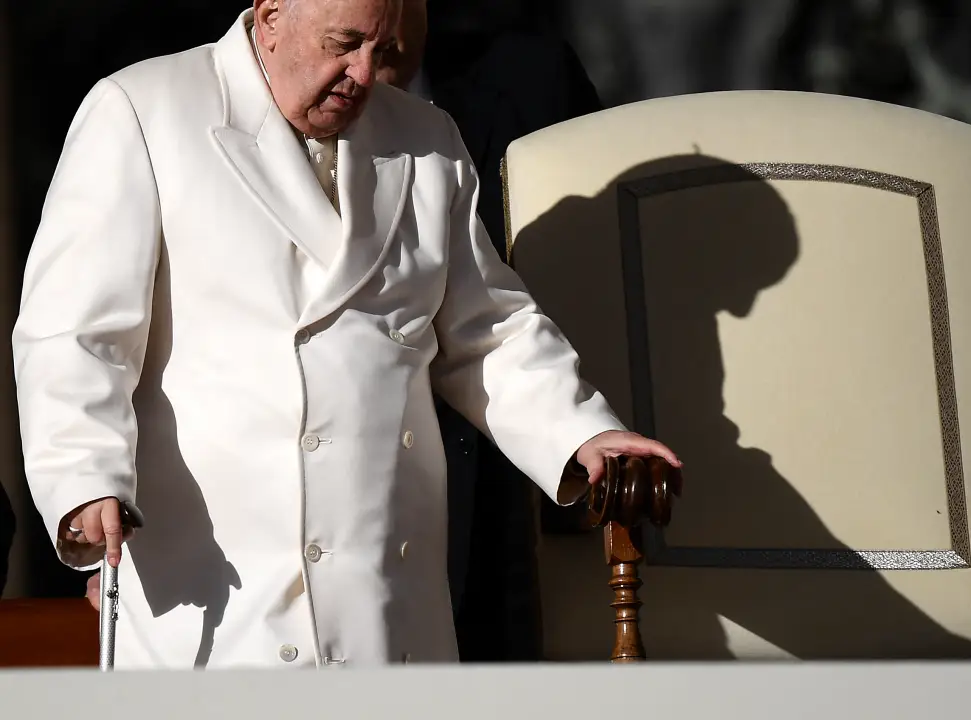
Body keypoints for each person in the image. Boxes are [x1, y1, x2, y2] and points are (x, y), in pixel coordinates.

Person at [16, 0, 679, 669]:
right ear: (270, 17)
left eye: (382, 50)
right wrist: (83, 477)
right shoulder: (141, 111)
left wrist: (582, 432)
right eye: (343, 43)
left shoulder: (427, 138)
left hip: (385, 600)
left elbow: (490, 332)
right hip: (219, 589)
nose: (364, 74)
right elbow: (75, 331)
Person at [375, 0, 609, 660]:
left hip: (504, 499)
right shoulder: (193, 109)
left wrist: (582, 438)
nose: (366, 63)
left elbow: (587, 286)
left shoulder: (532, 81)